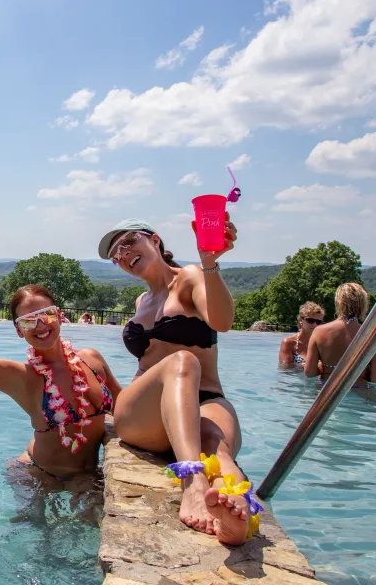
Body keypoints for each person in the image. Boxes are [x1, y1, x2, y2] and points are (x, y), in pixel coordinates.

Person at [99, 217, 259, 546]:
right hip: (144, 413)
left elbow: (222, 321)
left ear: (155, 240)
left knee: (215, 441)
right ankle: (192, 481)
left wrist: (209, 263)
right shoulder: (141, 302)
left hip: (205, 399)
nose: (123, 253)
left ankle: (239, 515)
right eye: (116, 254)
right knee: (183, 362)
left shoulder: (190, 277)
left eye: (128, 242)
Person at [0, 282, 122, 481]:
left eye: (46, 313)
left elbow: (123, 405)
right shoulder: (24, 378)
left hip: (86, 478)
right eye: (28, 321)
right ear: (19, 330)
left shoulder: (92, 358)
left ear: (59, 315)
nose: (40, 324)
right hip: (39, 477)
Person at [306, 283, 376, 386]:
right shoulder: (372, 335)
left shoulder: (319, 331)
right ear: (363, 304)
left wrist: (325, 367)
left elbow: (309, 373)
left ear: (338, 303)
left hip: (327, 392)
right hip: (359, 391)